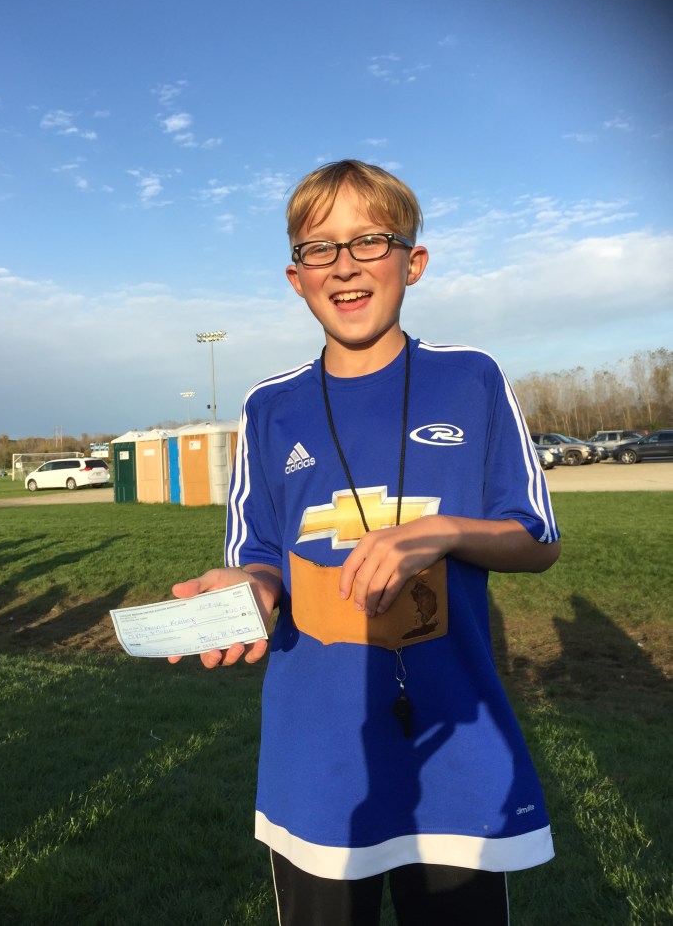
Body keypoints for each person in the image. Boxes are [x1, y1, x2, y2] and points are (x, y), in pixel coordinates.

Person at [170, 159, 561, 925]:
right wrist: (252, 586)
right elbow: (259, 550)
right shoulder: (269, 406)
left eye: (370, 241)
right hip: (318, 759)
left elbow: (536, 537)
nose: (345, 264)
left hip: (454, 748)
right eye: (321, 248)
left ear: (413, 261)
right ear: (297, 277)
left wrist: (442, 531)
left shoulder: (472, 379)